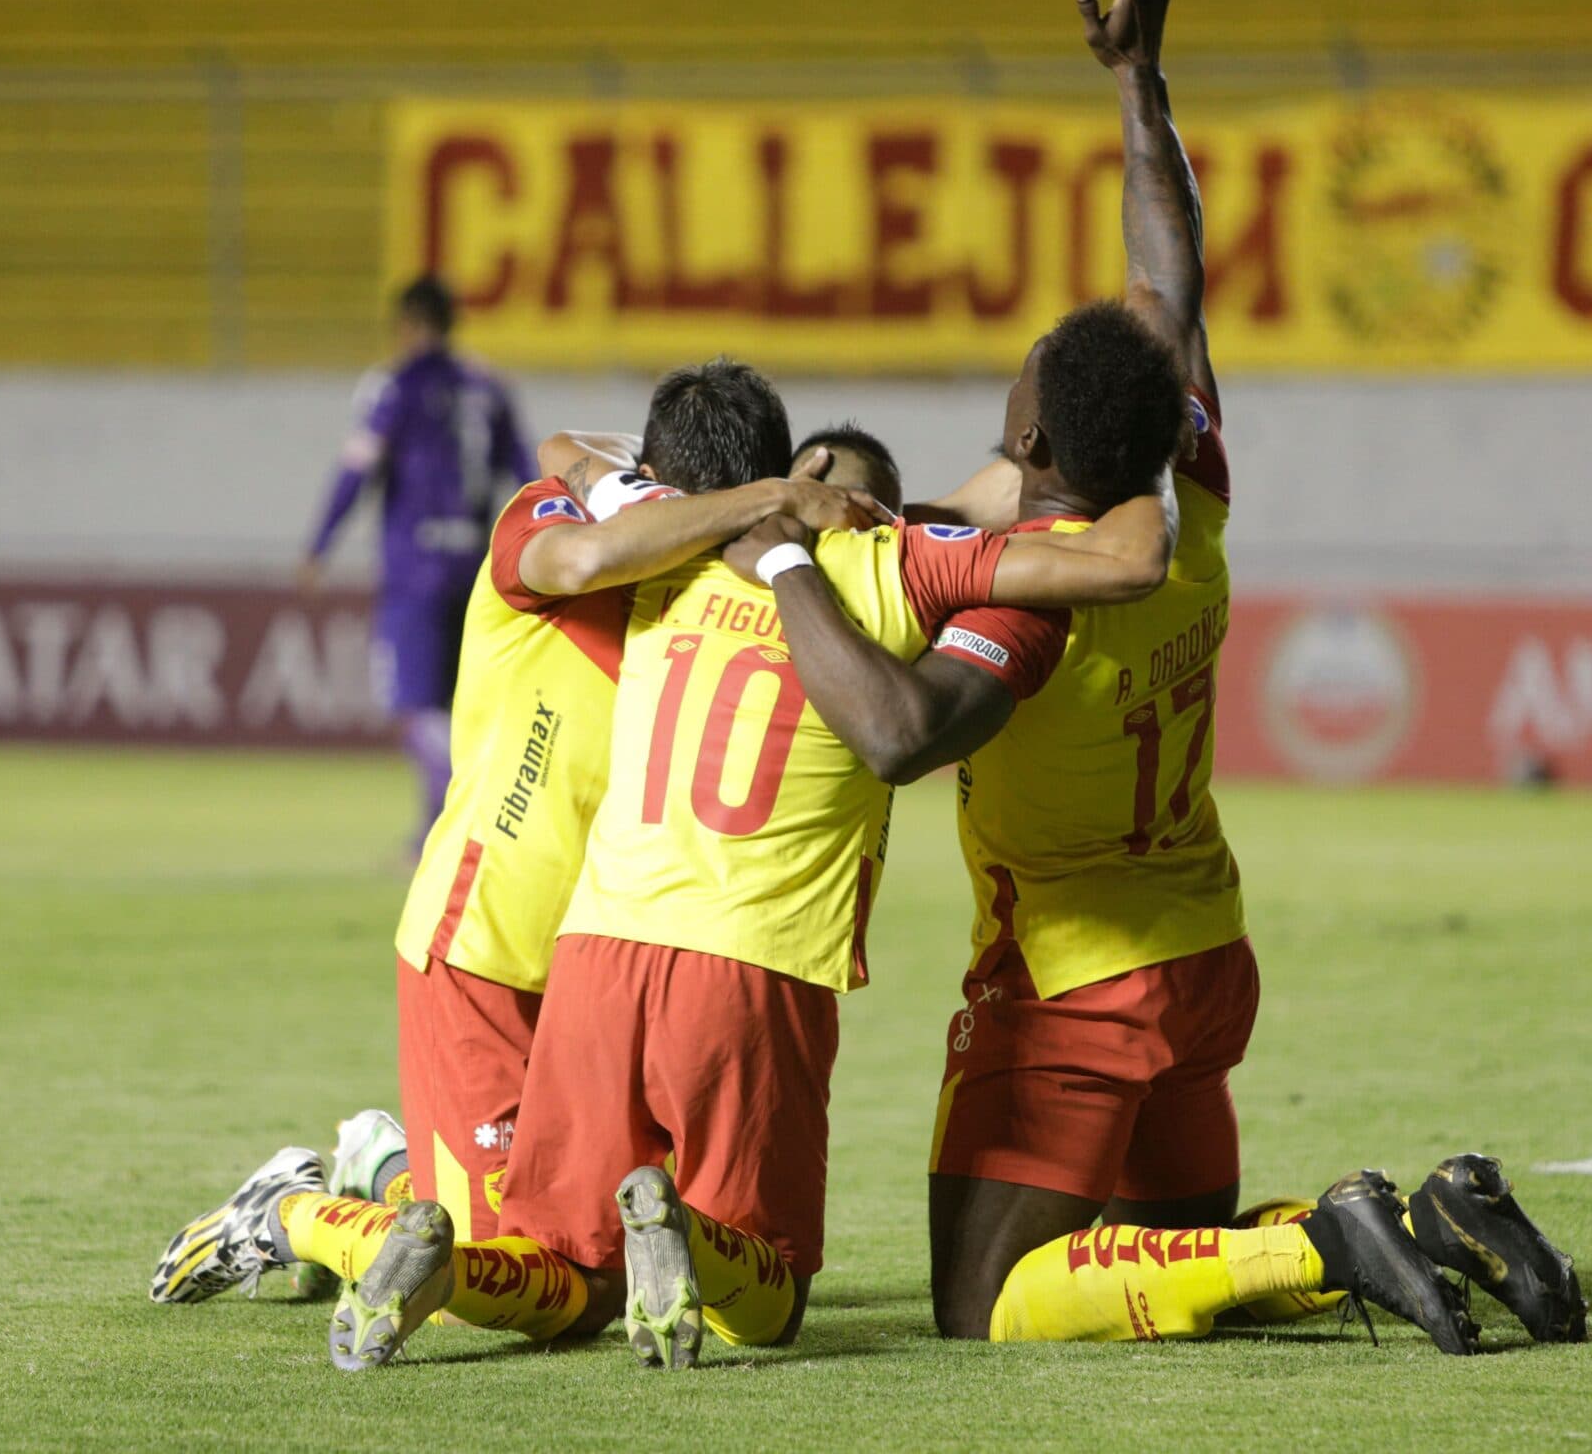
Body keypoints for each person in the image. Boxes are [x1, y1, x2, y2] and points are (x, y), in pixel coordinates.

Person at [743, 0, 1585, 1353]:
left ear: (1038, 447)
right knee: (1176, 1251)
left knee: (989, 1307)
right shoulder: (1186, 478)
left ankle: (1325, 1239)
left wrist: (782, 570)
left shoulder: (1034, 597)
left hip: (1073, 985)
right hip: (1202, 950)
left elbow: (898, 739)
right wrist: (1139, 80)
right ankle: (1426, 1216)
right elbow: (1167, 276)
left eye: (1015, 405)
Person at [280, 410, 1189, 1374]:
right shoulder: (904, 564)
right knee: (771, 1297)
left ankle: (350, 1206)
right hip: (747, 958)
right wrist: (1159, 446)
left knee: (564, 1275)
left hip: (597, 945)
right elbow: (1112, 559)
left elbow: (569, 453)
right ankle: (649, 1226)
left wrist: (766, 503)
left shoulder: (677, 549)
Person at [152, 360, 886, 1308]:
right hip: (487, 939)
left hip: (610, 971)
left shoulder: (733, 574)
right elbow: (581, 523)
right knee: (537, 1281)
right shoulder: (553, 521)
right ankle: (288, 1212)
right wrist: (756, 494)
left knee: (593, 1269)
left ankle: (384, 1165)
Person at [297, 275, 536, 854]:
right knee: (457, 703)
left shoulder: (394, 387)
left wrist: (318, 545)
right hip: (478, 569)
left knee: (411, 707)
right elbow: (527, 473)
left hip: (415, 570)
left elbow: (358, 469)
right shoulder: (490, 388)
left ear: (406, 325)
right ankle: (432, 834)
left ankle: (470, 803)